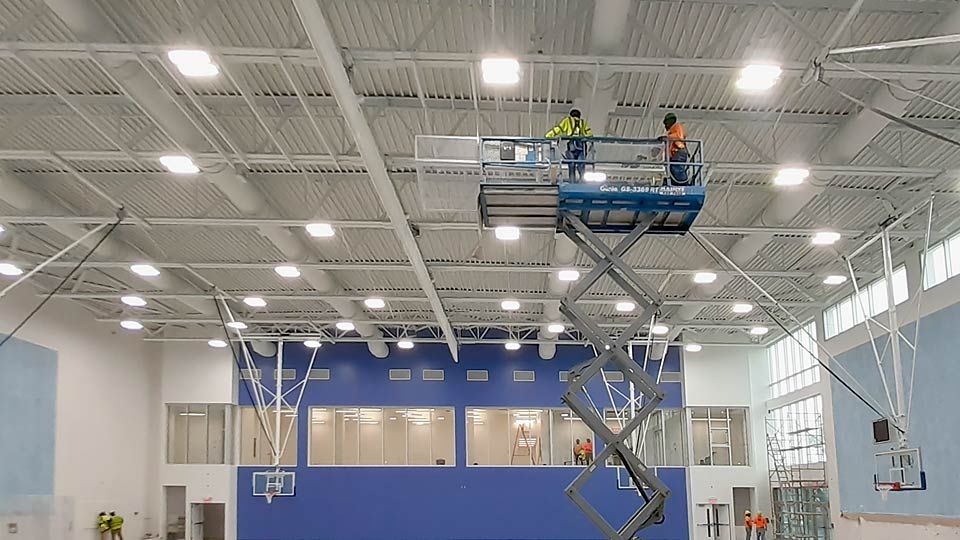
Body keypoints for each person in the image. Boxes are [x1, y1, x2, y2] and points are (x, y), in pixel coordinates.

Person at [545, 108, 593, 181]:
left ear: (571, 115)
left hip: (572, 146)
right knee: (581, 164)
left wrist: (548, 136)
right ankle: (582, 180)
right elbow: (589, 134)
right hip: (581, 146)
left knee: (571, 164)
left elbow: (558, 129)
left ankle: (572, 181)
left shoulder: (567, 121)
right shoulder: (582, 123)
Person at [661, 112, 689, 185]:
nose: (665, 126)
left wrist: (666, 138)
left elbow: (679, 136)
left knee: (677, 168)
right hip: (674, 154)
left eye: (666, 123)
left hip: (679, 152)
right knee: (671, 169)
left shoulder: (677, 127)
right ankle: (673, 183)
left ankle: (684, 184)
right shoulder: (671, 132)